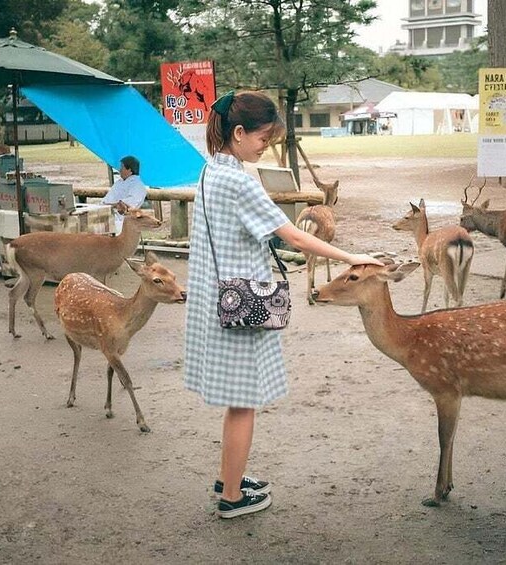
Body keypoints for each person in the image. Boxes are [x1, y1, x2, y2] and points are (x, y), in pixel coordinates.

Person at [184, 90, 383, 519]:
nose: (265, 147)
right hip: (241, 305)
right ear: (239, 133)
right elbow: (292, 235)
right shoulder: (239, 181)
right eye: (262, 139)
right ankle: (232, 498)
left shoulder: (209, 171)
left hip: (217, 298)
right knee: (244, 402)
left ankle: (228, 477)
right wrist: (351, 257)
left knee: (237, 398)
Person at [102, 155, 148, 233]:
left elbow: (127, 206)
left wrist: (112, 205)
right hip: (108, 216)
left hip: (123, 222)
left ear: (129, 169)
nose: (119, 170)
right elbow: (106, 200)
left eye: (122, 167)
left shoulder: (138, 185)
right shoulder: (119, 183)